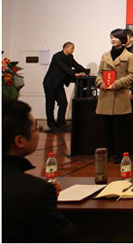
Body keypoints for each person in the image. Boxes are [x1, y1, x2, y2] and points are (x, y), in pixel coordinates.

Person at [2, 100, 78, 242]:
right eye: (37, 128)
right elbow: (66, 238)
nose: (39, 132)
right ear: (20, 141)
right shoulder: (35, 191)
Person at [95, 29, 133, 164]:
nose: (113, 40)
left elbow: (131, 75)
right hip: (105, 95)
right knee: (106, 128)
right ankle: (107, 153)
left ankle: (119, 154)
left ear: (122, 39)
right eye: (111, 37)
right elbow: (100, 73)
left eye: (116, 37)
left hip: (120, 95)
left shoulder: (129, 56)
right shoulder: (105, 55)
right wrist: (100, 82)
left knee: (120, 129)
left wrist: (117, 83)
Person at [42, 42, 87, 132]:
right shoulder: (57, 56)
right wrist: (74, 74)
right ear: (66, 48)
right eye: (72, 48)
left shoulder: (70, 57)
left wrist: (86, 72)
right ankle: (51, 124)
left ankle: (60, 123)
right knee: (50, 105)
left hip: (59, 84)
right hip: (50, 84)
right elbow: (64, 67)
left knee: (63, 103)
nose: (73, 50)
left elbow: (76, 65)